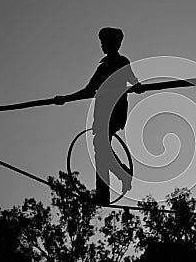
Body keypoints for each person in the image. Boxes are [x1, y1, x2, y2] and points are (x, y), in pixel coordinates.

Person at [55, 27, 144, 205]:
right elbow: (89, 89)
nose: (103, 46)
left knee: (100, 148)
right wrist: (66, 98)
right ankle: (112, 186)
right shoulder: (103, 67)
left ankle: (113, 185)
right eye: (102, 42)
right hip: (102, 112)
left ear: (115, 44)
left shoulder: (121, 62)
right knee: (100, 151)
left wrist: (137, 86)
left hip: (115, 111)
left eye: (105, 42)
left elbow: (134, 81)